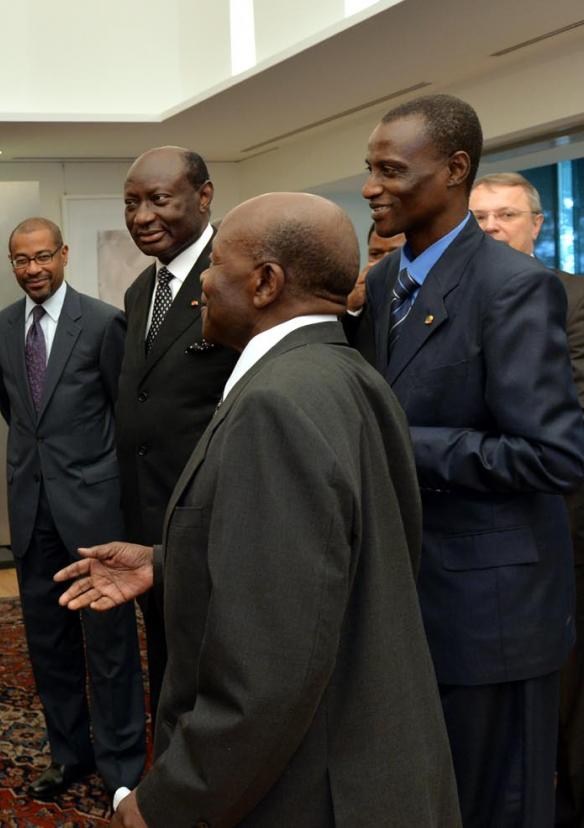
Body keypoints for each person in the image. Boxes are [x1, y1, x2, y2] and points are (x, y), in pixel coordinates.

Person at [56, 192, 461, 828]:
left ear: (267, 283)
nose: (202, 287)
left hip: (309, 784)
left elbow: (268, 671)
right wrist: (169, 561)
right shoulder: (347, 373)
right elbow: (326, 554)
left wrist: (166, 803)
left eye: (215, 266)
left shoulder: (277, 402)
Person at [361, 94, 584, 826]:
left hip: (495, 617)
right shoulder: (385, 284)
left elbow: (554, 455)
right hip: (412, 598)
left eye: (391, 170)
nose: (371, 187)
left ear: (455, 170)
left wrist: (401, 442)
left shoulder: (514, 287)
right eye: (370, 169)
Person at [0, 217, 146, 801]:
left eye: (43, 257)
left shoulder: (103, 324)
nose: (33, 269)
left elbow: (122, 416)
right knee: (49, 646)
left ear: (64, 255)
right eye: (21, 260)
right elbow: (17, 412)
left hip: (93, 514)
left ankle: (124, 767)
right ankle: (69, 755)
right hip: (32, 512)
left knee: (110, 648)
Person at [469, 171, 584, 824]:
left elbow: (567, 417)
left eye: (505, 215)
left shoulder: (571, 298)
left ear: (537, 225)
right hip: (476, 523)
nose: (491, 227)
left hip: (561, 521)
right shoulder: (456, 298)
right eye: (479, 217)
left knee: (564, 696)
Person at [115, 146, 238, 723]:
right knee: (166, 663)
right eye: (131, 204)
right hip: (150, 520)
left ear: (204, 196)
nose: (142, 217)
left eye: (158, 200)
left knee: (216, 672)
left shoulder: (237, 276)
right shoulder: (141, 289)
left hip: (214, 522)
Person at [346, 224, 407, 361]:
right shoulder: (358, 297)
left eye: (394, 252)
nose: (385, 261)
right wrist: (352, 307)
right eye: (375, 254)